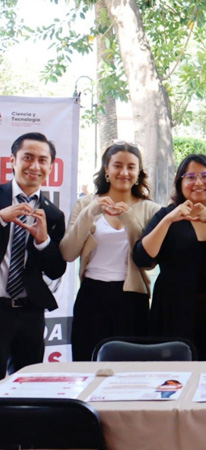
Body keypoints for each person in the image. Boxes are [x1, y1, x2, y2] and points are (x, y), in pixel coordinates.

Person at [133, 154, 206, 360]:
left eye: (205, 176)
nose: (198, 182)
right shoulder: (166, 214)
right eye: (190, 177)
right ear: (180, 183)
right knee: (174, 368)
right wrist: (169, 220)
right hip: (174, 310)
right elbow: (143, 258)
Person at [60, 141, 160, 361]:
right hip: (92, 296)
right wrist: (90, 212)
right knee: (87, 363)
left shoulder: (151, 209)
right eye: (117, 165)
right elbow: (68, 252)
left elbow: (148, 261)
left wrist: (129, 218)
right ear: (106, 169)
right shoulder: (85, 204)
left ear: (139, 172)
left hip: (132, 298)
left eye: (131, 167)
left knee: (131, 367)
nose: (124, 172)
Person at [0, 132, 66, 376]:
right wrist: (1, 218)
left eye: (42, 160)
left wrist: (43, 241)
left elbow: (56, 269)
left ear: (50, 167)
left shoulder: (54, 214)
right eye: (28, 157)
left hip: (31, 312)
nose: (35, 166)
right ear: (12, 160)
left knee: (27, 384)